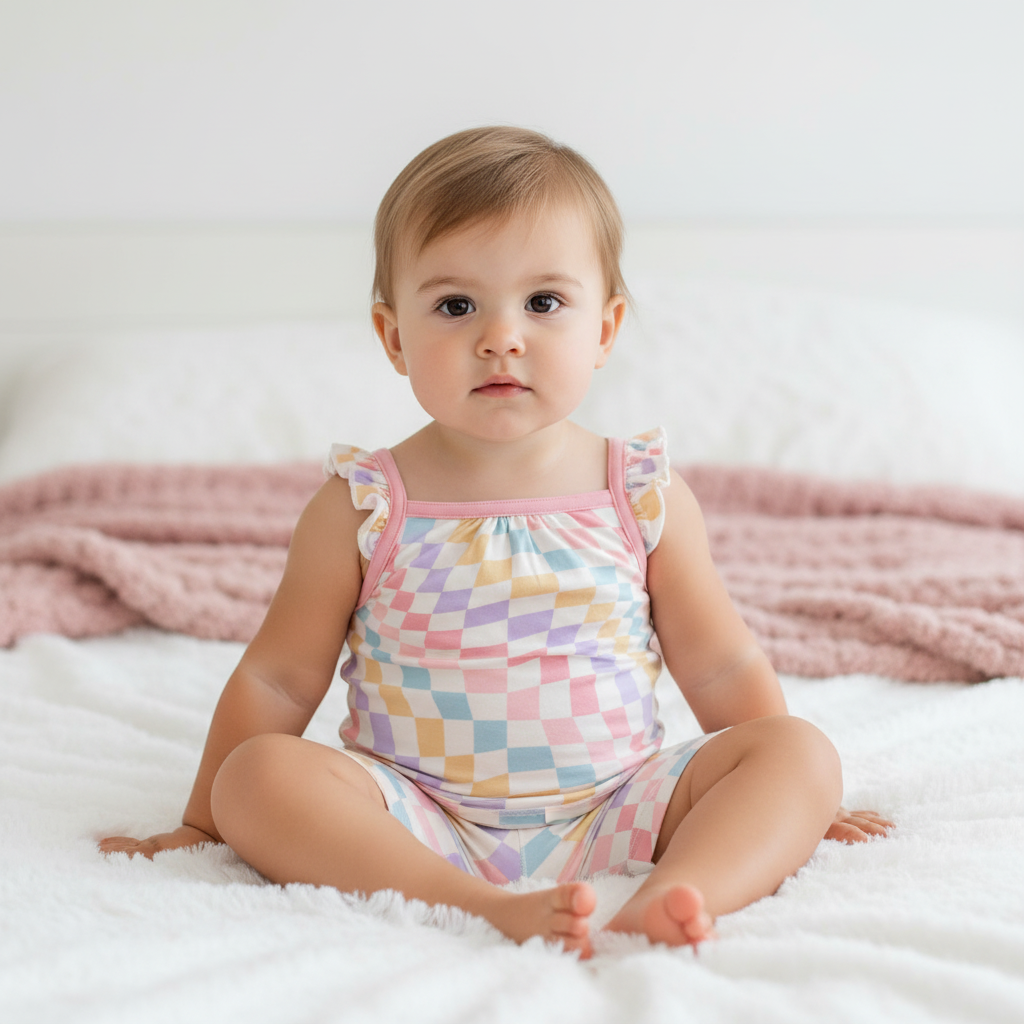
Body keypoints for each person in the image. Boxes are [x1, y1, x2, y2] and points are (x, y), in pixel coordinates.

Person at [100, 126, 891, 956]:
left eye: (543, 303)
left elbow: (721, 664)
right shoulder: (365, 506)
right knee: (256, 778)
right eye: (455, 305)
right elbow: (276, 675)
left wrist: (797, 800)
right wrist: (202, 818)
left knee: (798, 754)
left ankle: (677, 890)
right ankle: (468, 902)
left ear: (606, 327)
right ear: (394, 337)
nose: (502, 336)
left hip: (621, 803)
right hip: (416, 812)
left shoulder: (642, 493)